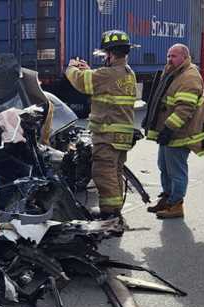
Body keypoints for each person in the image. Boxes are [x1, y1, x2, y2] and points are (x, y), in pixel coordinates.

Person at [65, 30, 137, 219]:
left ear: (111, 54)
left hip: (107, 134)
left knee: (103, 173)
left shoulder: (107, 74)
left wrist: (71, 68)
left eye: (106, 54)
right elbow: (100, 82)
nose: (106, 57)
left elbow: (81, 82)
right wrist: (89, 69)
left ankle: (110, 214)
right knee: (115, 171)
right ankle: (115, 210)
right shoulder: (128, 73)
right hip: (123, 133)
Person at [144, 44, 204, 219]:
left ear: (184, 57)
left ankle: (176, 204)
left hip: (180, 134)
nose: (169, 59)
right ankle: (167, 199)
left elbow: (184, 109)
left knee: (176, 172)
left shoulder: (189, 77)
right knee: (164, 167)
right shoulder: (174, 72)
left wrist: (168, 129)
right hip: (169, 134)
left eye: (173, 56)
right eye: (168, 56)